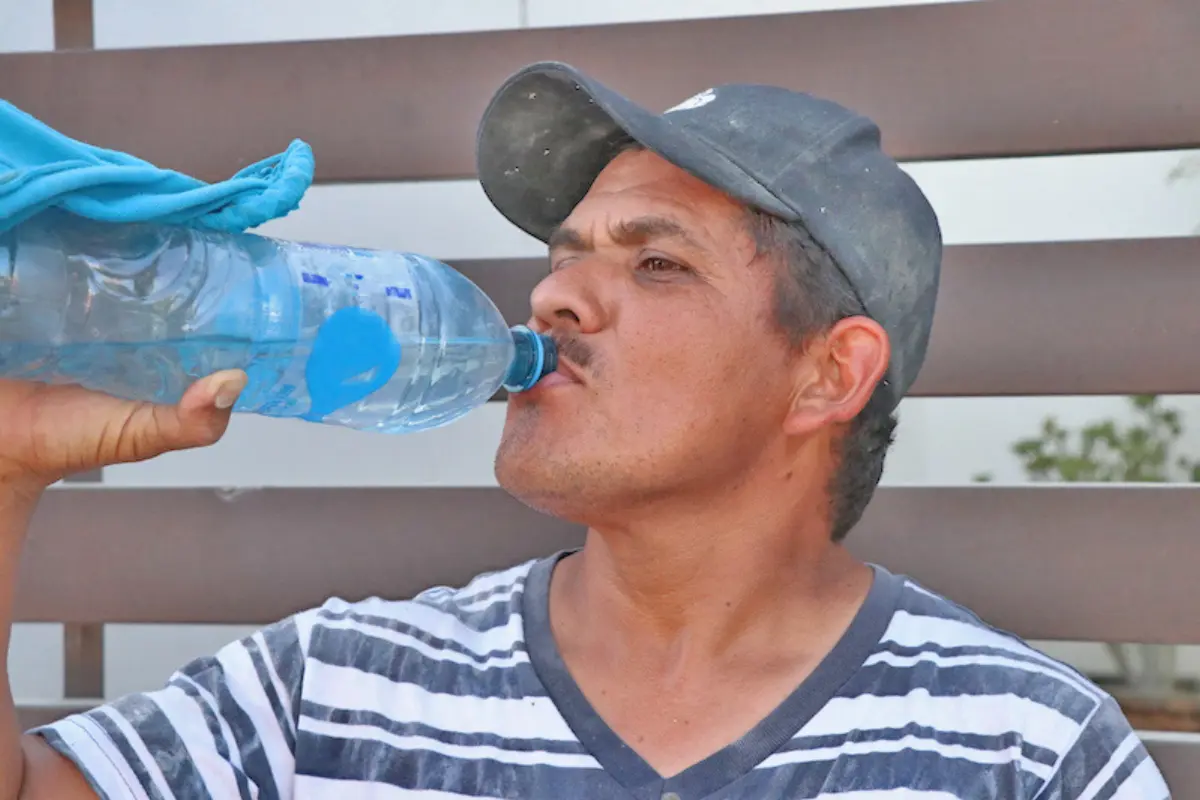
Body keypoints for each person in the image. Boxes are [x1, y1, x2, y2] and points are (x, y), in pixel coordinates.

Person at [1, 60, 1169, 799]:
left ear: (827, 373)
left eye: (657, 262)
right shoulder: (335, 688)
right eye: (562, 259)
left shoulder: (1025, 749)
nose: (553, 298)